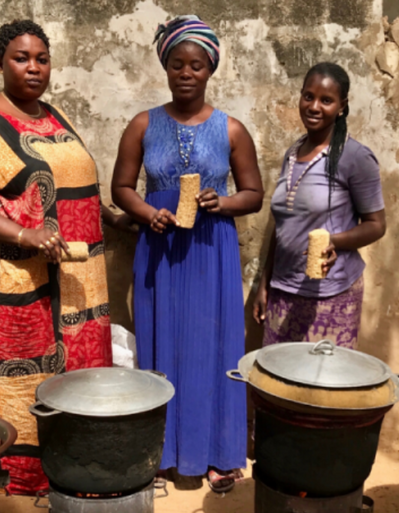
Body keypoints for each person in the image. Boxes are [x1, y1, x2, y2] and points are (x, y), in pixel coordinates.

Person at [0, 19, 127, 495]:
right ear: (0, 62)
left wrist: (112, 217)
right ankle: (25, 474)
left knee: (75, 377)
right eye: (21, 58)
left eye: (41, 59)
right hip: (18, 285)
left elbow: (73, 183)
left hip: (78, 280)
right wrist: (24, 233)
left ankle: (71, 464)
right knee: (25, 381)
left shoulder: (54, 114)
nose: (33, 68)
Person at [111, 15, 263, 493]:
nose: (186, 73)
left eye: (196, 65)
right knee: (162, 345)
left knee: (213, 346)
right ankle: (164, 452)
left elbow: (254, 193)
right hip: (159, 249)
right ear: (166, 67)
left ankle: (217, 452)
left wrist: (225, 201)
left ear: (209, 70)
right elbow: (121, 187)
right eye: (177, 63)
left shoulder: (231, 129)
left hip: (209, 251)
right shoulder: (143, 124)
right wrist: (143, 212)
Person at [253, 63, 386, 348]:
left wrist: (333, 241)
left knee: (323, 387)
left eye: (326, 100)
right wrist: (265, 284)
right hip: (284, 292)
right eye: (308, 96)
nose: (314, 106)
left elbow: (376, 225)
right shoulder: (292, 153)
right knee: (278, 383)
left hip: (331, 295)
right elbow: (282, 227)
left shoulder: (354, 157)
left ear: (341, 106)